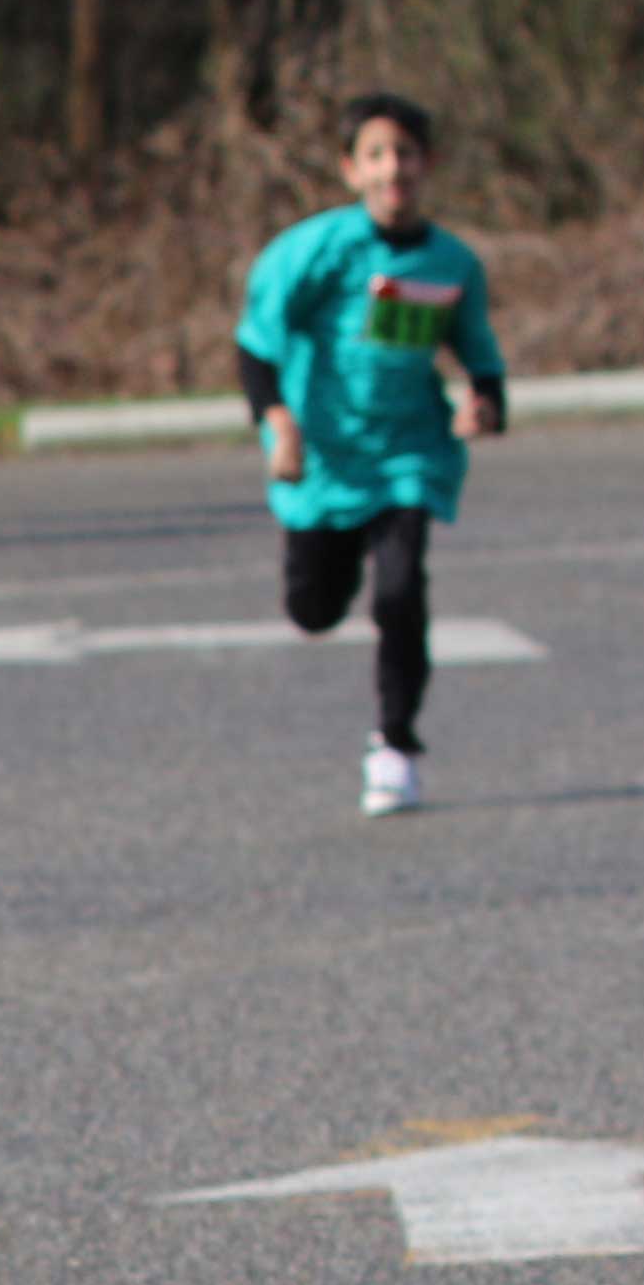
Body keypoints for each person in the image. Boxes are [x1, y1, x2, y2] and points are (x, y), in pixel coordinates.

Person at [236, 91, 509, 818]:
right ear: (350, 169)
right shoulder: (315, 251)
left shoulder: (452, 262)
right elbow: (256, 345)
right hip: (322, 460)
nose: (394, 170)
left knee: (400, 592)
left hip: (406, 454)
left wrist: (484, 403)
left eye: (406, 154)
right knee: (314, 609)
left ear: (429, 163)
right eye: (376, 155)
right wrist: (279, 424)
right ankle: (330, 564)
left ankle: (396, 746)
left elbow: (477, 353)